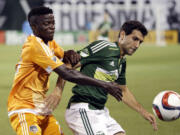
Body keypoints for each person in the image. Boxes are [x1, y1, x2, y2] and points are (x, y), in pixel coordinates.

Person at [7, 6, 123, 135]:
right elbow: (68, 73)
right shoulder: (35, 46)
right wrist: (105, 85)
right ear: (34, 27)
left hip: (42, 108)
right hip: (23, 108)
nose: (52, 27)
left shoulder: (49, 43)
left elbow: (64, 55)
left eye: (53, 23)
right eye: (46, 24)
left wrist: (70, 52)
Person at [63, 20, 158, 135]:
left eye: (140, 42)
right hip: (82, 109)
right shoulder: (105, 48)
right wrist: (57, 92)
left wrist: (143, 112)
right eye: (135, 39)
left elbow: (123, 90)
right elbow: (67, 66)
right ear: (122, 35)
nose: (137, 45)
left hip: (100, 111)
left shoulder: (122, 61)